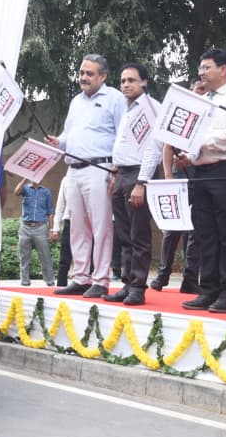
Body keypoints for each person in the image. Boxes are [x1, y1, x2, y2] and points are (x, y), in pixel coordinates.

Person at [177, 49, 226, 314]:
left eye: (206, 67)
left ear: (223, 69)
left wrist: (203, 142)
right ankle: (208, 290)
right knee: (205, 234)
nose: (201, 73)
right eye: (200, 68)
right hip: (202, 172)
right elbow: (194, 136)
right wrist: (188, 155)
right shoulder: (202, 101)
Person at [47, 54, 125, 298]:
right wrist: (58, 141)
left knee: (101, 227)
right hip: (73, 170)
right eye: (82, 72)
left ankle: (100, 279)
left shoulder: (115, 98)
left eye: (90, 73)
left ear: (103, 76)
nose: (83, 77)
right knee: (77, 227)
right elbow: (68, 135)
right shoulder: (76, 102)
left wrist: (118, 168)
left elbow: (123, 135)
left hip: (99, 169)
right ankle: (81, 277)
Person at [105, 63, 163, 306]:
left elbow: (154, 148)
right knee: (124, 234)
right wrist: (115, 172)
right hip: (122, 174)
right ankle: (128, 284)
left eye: (131, 80)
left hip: (139, 175)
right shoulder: (127, 110)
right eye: (122, 81)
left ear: (144, 82)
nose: (125, 85)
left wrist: (142, 182)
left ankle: (138, 287)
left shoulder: (151, 108)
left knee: (139, 234)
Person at [151, 81, 205, 294]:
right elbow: (167, 146)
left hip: (201, 175)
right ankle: (163, 274)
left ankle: (190, 278)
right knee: (173, 227)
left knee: (196, 230)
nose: (199, 92)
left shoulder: (210, 117)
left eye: (203, 89)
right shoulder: (183, 115)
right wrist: (168, 176)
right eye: (197, 89)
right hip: (179, 176)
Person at [13, 178, 55, 287]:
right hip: (25, 227)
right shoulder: (25, 189)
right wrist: (24, 178)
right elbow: (16, 191)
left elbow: (50, 212)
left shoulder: (46, 192)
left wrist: (51, 229)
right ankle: (25, 280)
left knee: (45, 255)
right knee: (24, 255)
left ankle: (49, 280)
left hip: (40, 227)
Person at [52, 174, 75, 290]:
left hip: (87, 222)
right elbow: (60, 204)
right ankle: (61, 285)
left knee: (88, 256)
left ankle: (87, 285)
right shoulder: (66, 179)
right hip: (69, 221)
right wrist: (55, 228)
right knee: (65, 257)